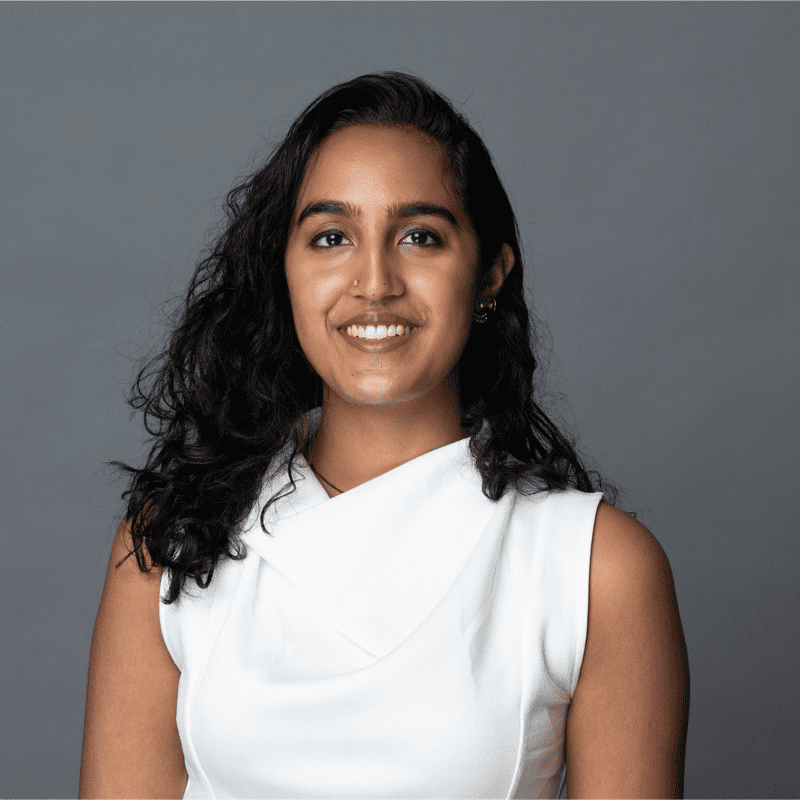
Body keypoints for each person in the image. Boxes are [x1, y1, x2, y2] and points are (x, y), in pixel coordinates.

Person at [79, 72, 689, 799]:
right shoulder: (172, 540)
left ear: (490, 272)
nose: (374, 281)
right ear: (284, 270)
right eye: (331, 237)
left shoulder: (595, 567)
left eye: (419, 237)